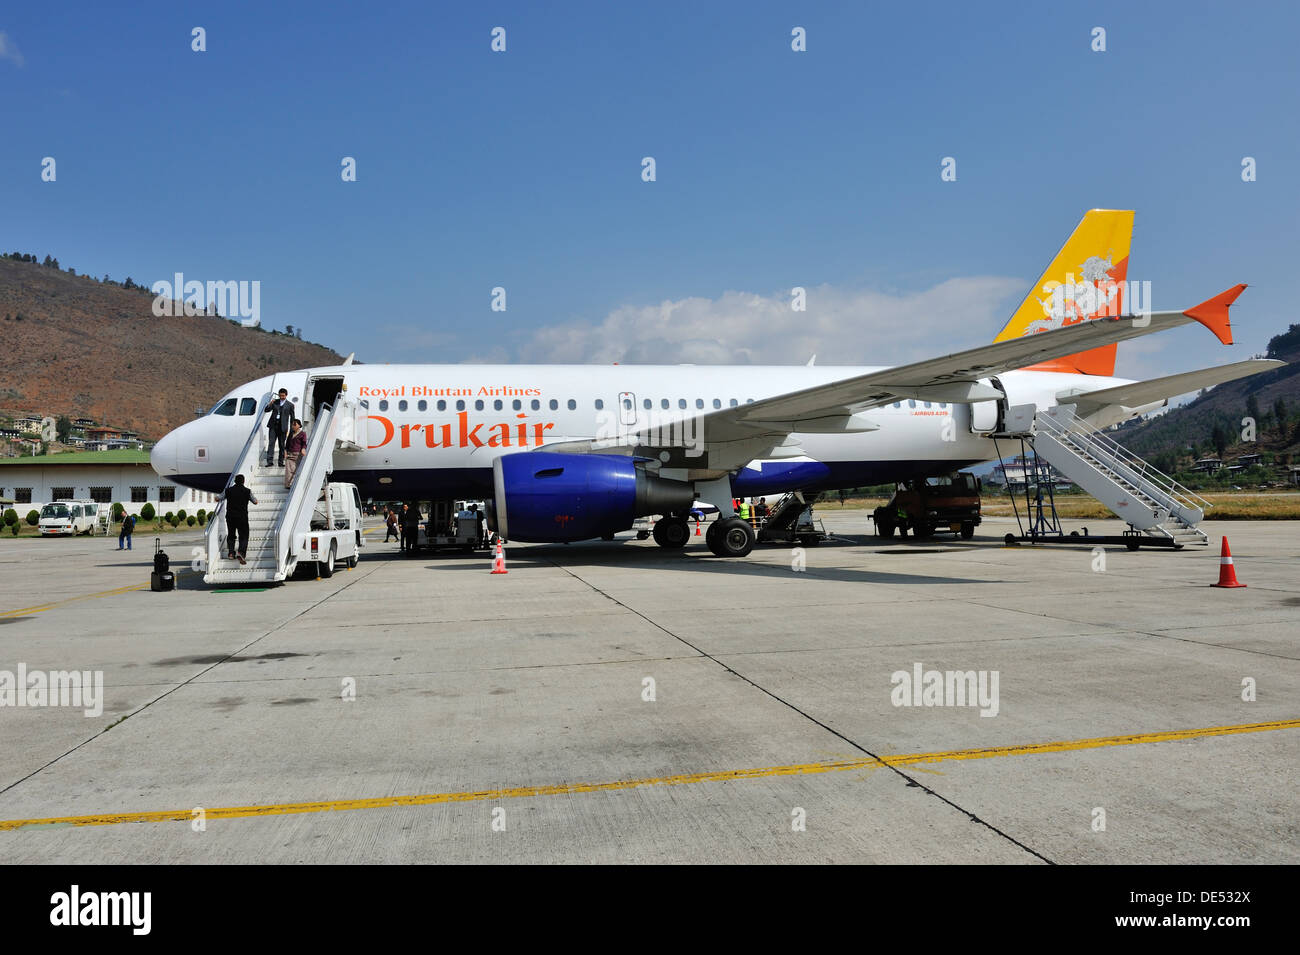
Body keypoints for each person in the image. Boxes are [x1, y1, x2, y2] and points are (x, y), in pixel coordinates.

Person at [219, 474, 258, 564]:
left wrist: (218, 498)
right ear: (243, 481)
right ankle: (241, 552)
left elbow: (218, 498)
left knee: (231, 535)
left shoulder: (228, 490)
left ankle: (231, 553)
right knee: (244, 536)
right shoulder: (247, 491)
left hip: (230, 517)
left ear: (235, 481)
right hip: (242, 518)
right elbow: (255, 502)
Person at [264, 388, 295, 467]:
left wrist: (292, 428)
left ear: (286, 395)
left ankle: (280, 462)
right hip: (273, 426)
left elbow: (292, 417)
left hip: (283, 427)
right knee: (271, 443)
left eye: (283, 395)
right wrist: (270, 404)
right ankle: (269, 461)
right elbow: (266, 410)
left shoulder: (290, 405)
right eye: (280, 395)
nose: (281, 397)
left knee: (281, 445)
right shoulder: (275, 402)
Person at [283, 419, 307, 488]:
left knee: (296, 469)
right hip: (290, 454)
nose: (293, 426)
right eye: (292, 424)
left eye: (294, 424)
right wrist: (285, 452)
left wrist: (303, 449)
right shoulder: (291, 434)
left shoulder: (303, 434)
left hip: (298, 455)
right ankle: (288, 485)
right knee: (288, 470)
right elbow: (287, 445)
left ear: (299, 425)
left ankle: (296, 484)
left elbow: (304, 443)